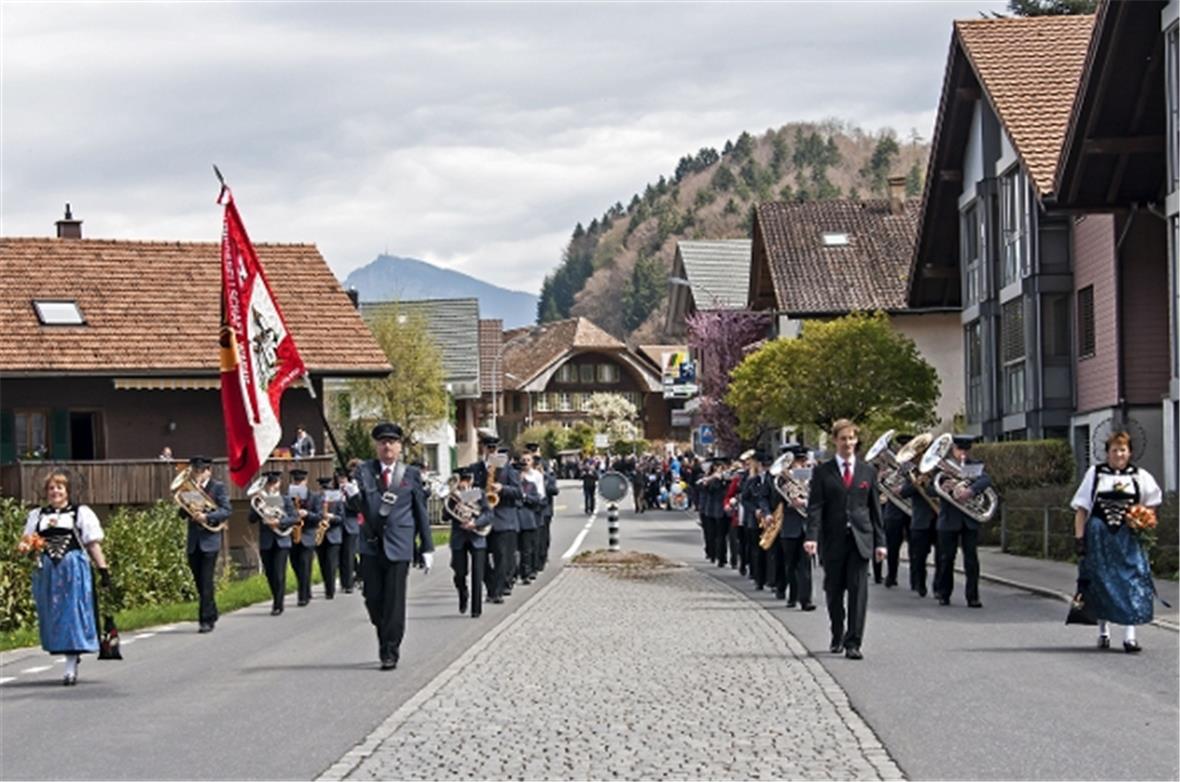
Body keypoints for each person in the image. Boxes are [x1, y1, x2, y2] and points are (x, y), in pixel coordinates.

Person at [343, 422, 434, 670]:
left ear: (399, 446)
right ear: (377, 446)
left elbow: (420, 512)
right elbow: (356, 507)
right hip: (371, 545)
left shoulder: (410, 474)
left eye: (392, 442)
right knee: (373, 599)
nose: (387, 446)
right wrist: (351, 496)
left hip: (399, 545)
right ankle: (385, 633)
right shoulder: (364, 471)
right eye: (383, 442)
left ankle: (389, 650)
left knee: (394, 601)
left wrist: (426, 547)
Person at [1071, 430, 1163, 652]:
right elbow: (1082, 509)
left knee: (1131, 582)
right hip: (1099, 535)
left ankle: (1129, 637)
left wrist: (1143, 521)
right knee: (1101, 582)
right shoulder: (1095, 474)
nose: (1119, 454)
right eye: (1114, 450)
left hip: (1128, 537)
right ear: (1107, 453)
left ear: (1130, 452)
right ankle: (1103, 632)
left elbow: (1151, 505)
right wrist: (1080, 538)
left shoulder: (1139, 476)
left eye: (1123, 450)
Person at [804, 420, 885, 660]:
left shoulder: (867, 471)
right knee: (834, 590)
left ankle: (854, 642)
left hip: (861, 539)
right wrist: (811, 537)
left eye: (851, 438)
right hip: (833, 539)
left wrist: (881, 542)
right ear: (835, 441)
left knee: (859, 592)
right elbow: (815, 507)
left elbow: (875, 511)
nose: (848, 443)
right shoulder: (822, 471)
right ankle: (837, 632)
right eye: (843, 439)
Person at [23, 470, 110, 685]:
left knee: (72, 613)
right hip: (48, 571)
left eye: (59, 488)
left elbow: (92, 544)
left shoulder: (80, 513)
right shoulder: (37, 516)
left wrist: (103, 569)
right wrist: (26, 547)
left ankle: (71, 662)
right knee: (53, 615)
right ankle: (67, 652)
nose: (55, 492)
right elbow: (26, 542)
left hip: (73, 570)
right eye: (51, 488)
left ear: (67, 491)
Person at [934, 435, 992, 608]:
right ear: (953, 450)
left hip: (969, 519)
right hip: (948, 519)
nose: (963, 454)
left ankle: (973, 597)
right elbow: (930, 487)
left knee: (971, 560)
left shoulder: (974, 466)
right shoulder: (941, 467)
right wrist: (944, 487)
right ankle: (944, 594)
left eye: (966, 450)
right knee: (946, 559)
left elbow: (985, 480)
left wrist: (971, 490)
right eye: (959, 450)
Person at [180, 456, 231, 633]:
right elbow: (182, 514)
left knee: (206, 580)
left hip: (210, 540)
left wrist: (207, 517)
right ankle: (212, 611)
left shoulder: (217, 487)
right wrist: (185, 505)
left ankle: (205, 620)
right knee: (199, 582)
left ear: (209, 470)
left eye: (200, 471)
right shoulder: (189, 489)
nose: (197, 474)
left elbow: (226, 510)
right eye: (195, 471)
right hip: (194, 542)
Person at [248, 471, 297, 615]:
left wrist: (279, 521)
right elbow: (251, 519)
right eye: (269, 483)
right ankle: (276, 596)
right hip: (266, 541)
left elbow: (293, 518)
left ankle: (278, 604)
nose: (271, 486)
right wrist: (256, 507)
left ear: (279, 483)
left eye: (274, 483)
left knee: (279, 573)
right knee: (270, 573)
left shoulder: (285, 499)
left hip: (282, 540)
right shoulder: (259, 500)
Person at [446, 468, 492, 618]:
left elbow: (488, 514)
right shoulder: (452, 496)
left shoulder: (477, 493)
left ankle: (476, 609)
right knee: (459, 572)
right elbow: (445, 516)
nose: (464, 484)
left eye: (467, 480)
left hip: (477, 536)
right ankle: (463, 592)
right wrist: (452, 500)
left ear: (471, 481)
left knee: (478, 574)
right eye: (461, 480)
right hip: (459, 537)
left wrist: (476, 523)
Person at [774, 445, 815, 611]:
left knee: (805, 565)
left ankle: (806, 600)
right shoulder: (781, 479)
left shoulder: (812, 477)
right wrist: (788, 500)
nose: (800, 465)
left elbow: (820, 498)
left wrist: (805, 501)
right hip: (789, 526)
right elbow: (774, 501)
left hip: (806, 526)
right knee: (790, 565)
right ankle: (793, 595)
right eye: (797, 461)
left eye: (802, 460)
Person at [881, 434, 913, 589]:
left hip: (912, 509)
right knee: (892, 545)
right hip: (894, 509)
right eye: (901, 446)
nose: (903, 449)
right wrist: (883, 477)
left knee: (916, 547)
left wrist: (903, 489)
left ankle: (916, 579)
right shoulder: (892, 466)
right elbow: (881, 484)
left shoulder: (917, 464)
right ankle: (891, 575)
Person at [741, 451, 772, 589]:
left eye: (767, 466)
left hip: (770, 519)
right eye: (763, 466)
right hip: (754, 520)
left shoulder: (773, 480)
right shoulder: (752, 481)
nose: (765, 469)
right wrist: (755, 510)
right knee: (757, 550)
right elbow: (744, 499)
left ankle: (771, 579)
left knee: (770, 551)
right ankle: (758, 578)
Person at [287, 468, 319, 606]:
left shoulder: (314, 496)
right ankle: (305, 588)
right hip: (293, 535)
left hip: (307, 535)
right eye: (296, 481)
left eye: (300, 481)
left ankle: (303, 596)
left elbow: (318, 516)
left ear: (306, 481)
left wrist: (307, 514)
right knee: (295, 565)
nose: (298, 483)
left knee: (305, 565)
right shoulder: (287, 497)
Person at [315, 476, 344, 600]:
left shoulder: (337, 500)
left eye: (327, 488)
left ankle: (330, 590)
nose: (325, 491)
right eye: (323, 489)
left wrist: (331, 517)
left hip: (333, 535)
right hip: (320, 535)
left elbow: (341, 518)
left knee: (331, 563)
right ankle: (327, 585)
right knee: (322, 562)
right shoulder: (317, 499)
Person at [336, 465, 362, 594]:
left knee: (349, 555)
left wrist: (352, 496)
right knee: (341, 555)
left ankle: (350, 583)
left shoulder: (353, 490)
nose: (341, 481)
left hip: (351, 526)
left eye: (343, 478)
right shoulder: (334, 491)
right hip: (338, 526)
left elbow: (359, 508)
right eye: (339, 478)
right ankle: (343, 582)